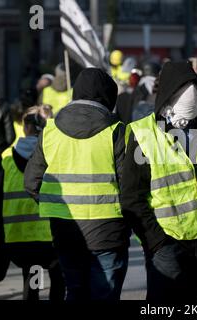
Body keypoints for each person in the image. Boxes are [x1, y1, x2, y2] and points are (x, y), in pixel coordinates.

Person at [24, 68, 130, 301]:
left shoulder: (50, 131)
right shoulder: (117, 131)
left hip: (65, 231)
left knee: (75, 292)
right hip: (108, 232)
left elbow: (32, 182)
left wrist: (56, 207)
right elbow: (129, 187)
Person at [121, 61, 197, 302]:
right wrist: (156, 242)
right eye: (182, 119)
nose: (185, 124)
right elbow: (132, 197)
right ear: (168, 105)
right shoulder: (142, 134)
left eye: (190, 118)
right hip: (166, 240)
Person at [2, 105, 65, 301]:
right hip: (49, 235)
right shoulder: (54, 156)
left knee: (33, 278)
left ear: (25, 127)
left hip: (19, 237)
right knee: (58, 280)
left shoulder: (5, 159)